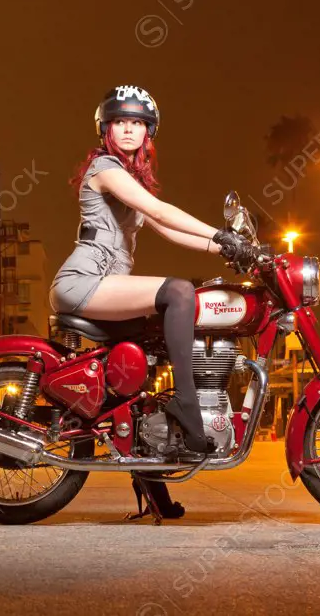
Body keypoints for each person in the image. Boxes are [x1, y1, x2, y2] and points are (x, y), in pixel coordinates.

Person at [48, 84, 255, 456]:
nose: (128, 129)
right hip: (85, 282)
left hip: (107, 284)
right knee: (179, 292)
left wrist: (233, 251)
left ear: (148, 131)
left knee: (151, 351)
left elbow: (168, 230)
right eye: (120, 121)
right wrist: (222, 235)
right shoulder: (105, 169)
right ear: (106, 129)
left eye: (137, 122)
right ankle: (188, 407)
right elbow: (161, 212)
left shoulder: (130, 180)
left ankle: (153, 465)